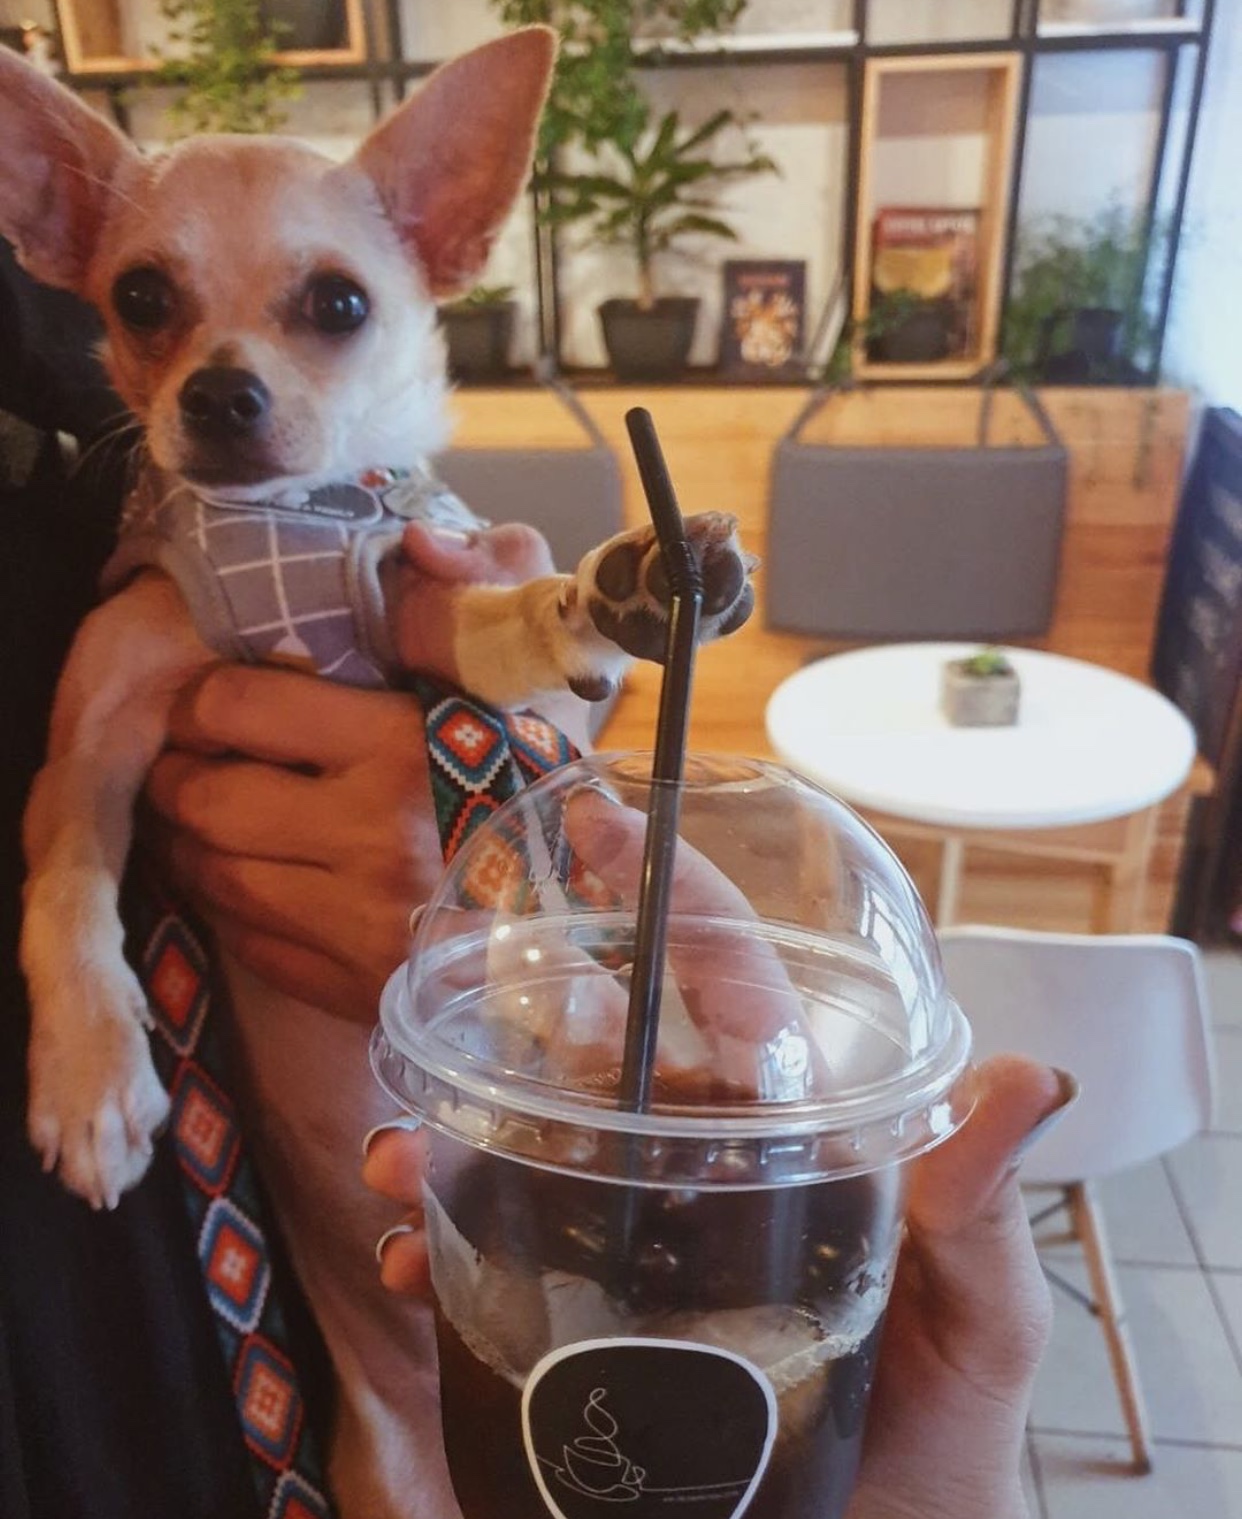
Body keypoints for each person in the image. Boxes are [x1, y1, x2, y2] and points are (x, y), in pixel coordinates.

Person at [2, 235, 1073, 1517]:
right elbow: (83, 789)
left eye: (332, 308)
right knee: (404, 1419)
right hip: (164, 1312)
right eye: (151, 306)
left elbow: (503, 650)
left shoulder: (349, 523)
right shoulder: (142, 568)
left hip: (352, 1222)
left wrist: (532, 735)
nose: (228, 371)